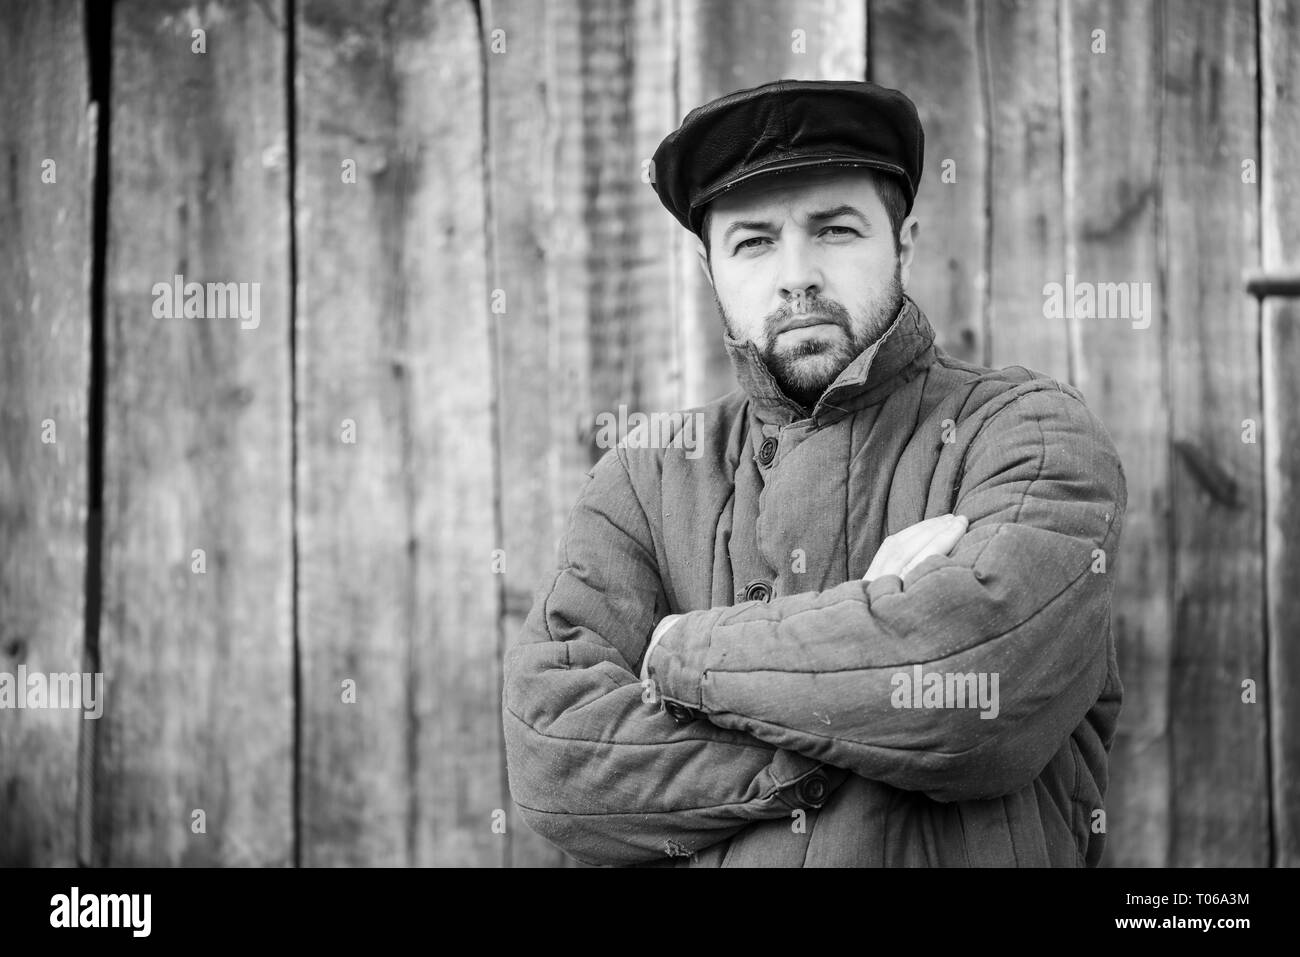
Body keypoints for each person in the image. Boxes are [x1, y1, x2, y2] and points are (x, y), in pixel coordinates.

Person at [502, 78, 1126, 867]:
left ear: (902, 244)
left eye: (834, 229)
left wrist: (677, 656)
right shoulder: (644, 478)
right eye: (754, 241)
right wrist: (860, 697)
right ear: (710, 270)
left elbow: (974, 686)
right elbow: (558, 761)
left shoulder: (1028, 430)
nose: (796, 274)